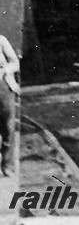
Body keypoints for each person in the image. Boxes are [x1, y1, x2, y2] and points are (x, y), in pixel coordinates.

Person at [0, 34, 19, 176]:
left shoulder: (1, 40)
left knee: (8, 126)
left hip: (3, 86)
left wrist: (4, 70)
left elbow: (15, 63)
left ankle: (7, 164)